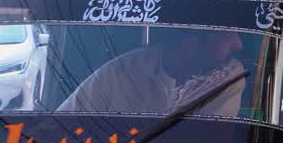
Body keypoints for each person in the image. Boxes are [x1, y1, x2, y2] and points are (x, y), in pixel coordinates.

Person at [58, 28, 246, 116]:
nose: (238, 45)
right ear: (189, 42)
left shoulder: (228, 74)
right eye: (228, 33)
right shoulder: (121, 72)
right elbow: (56, 127)